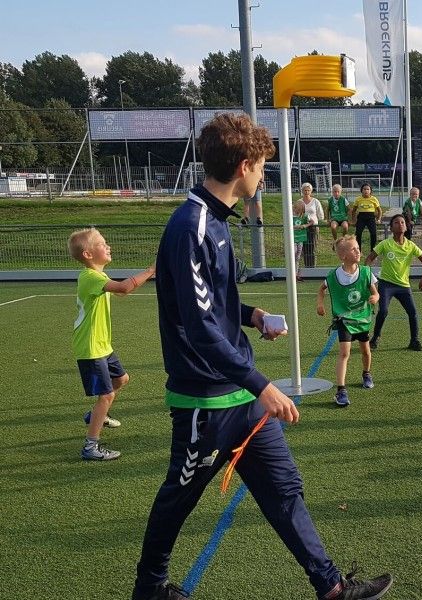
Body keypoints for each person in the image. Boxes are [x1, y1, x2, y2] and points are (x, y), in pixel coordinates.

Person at [132, 114, 392, 600]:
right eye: (262, 169)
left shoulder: (217, 221)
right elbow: (200, 328)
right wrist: (263, 384)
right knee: (178, 498)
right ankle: (149, 590)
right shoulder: (191, 225)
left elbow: (218, 303)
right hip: (205, 402)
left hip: (240, 396)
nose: (263, 178)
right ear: (245, 165)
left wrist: (253, 317)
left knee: (283, 488)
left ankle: (331, 586)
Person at [68, 227, 155, 461]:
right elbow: (124, 289)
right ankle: (90, 446)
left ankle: (98, 414)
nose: (108, 247)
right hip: (90, 348)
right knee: (106, 394)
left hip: (102, 345)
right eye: (102, 244)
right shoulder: (90, 277)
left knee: (121, 379)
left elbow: (119, 290)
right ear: (88, 254)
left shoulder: (98, 276)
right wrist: (151, 270)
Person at [317, 235, 379, 407]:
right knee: (344, 353)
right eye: (353, 249)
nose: (358, 251)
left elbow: (375, 292)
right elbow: (321, 289)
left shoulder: (366, 272)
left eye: (358, 247)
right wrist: (320, 304)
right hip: (344, 319)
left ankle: (366, 373)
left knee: (366, 351)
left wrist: (375, 296)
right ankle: (341, 390)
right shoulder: (334, 275)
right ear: (343, 255)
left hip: (362, 318)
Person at [365, 214, 422, 351]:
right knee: (383, 311)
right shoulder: (385, 244)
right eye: (396, 222)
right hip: (386, 284)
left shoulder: (411, 245)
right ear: (391, 227)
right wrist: (367, 276)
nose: (400, 224)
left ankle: (414, 340)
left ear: (406, 227)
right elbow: (369, 259)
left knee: (413, 312)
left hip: (404, 285)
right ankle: (375, 338)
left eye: (402, 222)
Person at [350, 183, 382, 251]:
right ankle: (359, 250)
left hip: (371, 218)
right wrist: (353, 220)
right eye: (364, 189)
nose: (366, 191)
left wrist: (378, 219)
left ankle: (372, 250)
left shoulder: (374, 199)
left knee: (373, 234)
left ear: (370, 191)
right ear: (361, 190)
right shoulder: (358, 199)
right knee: (358, 234)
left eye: (368, 189)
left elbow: (380, 211)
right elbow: (353, 211)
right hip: (361, 218)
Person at [300, 182, 325, 268]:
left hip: (313, 227)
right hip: (302, 227)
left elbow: (320, 214)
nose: (306, 192)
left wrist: (316, 220)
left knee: (312, 247)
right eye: (305, 190)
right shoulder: (299, 202)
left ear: (311, 191)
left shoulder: (316, 201)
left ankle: (313, 266)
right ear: (302, 191)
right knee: (304, 248)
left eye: (308, 190)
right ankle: (307, 266)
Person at [292, 200, 310, 282]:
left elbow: (311, 222)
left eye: (298, 209)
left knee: (298, 256)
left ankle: (296, 274)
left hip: (300, 239)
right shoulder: (291, 216)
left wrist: (305, 225)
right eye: (295, 208)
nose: (296, 210)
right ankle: (292, 273)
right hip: (293, 239)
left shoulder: (305, 216)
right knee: (293, 254)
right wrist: (294, 227)